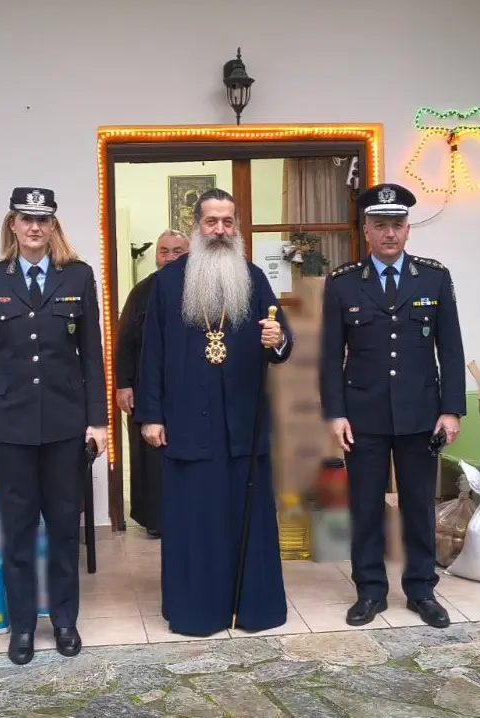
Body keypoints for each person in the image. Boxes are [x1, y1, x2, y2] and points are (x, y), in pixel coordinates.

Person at [134, 188, 292, 636]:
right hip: (187, 422)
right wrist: (151, 415)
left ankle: (253, 608)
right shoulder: (169, 282)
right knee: (195, 520)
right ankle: (198, 611)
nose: (220, 230)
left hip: (242, 423)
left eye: (227, 222)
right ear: (197, 226)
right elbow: (152, 353)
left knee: (246, 516)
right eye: (211, 222)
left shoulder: (253, 277)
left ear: (235, 227)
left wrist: (277, 339)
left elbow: (281, 339)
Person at [0, 187, 108, 665]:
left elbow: (92, 355)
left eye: (42, 219)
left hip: (65, 426)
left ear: (53, 226)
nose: (34, 227)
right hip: (9, 428)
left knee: (65, 528)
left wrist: (97, 421)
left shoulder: (78, 276)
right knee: (18, 531)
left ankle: (65, 621)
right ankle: (23, 627)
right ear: (13, 223)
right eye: (25, 218)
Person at [319, 182, 466, 629]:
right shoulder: (343, 283)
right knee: (365, 506)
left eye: (397, 225)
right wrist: (335, 413)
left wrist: (451, 409)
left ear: (407, 230)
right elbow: (329, 354)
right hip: (362, 415)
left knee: (418, 505)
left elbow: (451, 350)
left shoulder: (433, 278)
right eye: (380, 225)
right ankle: (370, 591)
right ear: (366, 230)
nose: (389, 233)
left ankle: (421, 590)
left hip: (421, 414)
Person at [115, 229, 189, 537]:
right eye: (164, 251)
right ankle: (156, 520)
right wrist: (123, 384)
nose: (170, 257)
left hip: (188, 390)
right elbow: (124, 342)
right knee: (151, 456)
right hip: (147, 388)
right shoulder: (142, 291)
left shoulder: (201, 290)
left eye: (177, 251)